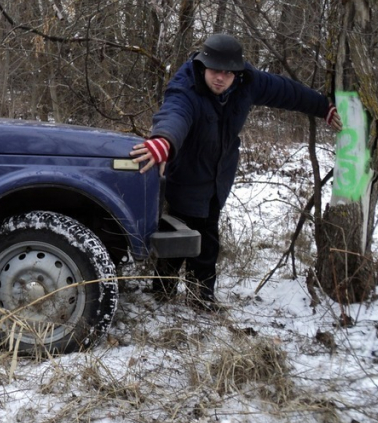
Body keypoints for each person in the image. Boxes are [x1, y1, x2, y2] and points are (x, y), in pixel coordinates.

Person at [130, 33, 342, 310]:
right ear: (203, 66)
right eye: (215, 70)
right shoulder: (186, 86)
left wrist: (322, 107)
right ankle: (165, 292)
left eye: (228, 73)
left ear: (237, 73)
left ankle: (199, 297)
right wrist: (164, 141)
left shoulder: (248, 82)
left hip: (219, 178)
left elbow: (287, 92)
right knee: (180, 236)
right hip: (186, 176)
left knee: (206, 238)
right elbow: (174, 114)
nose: (221, 78)